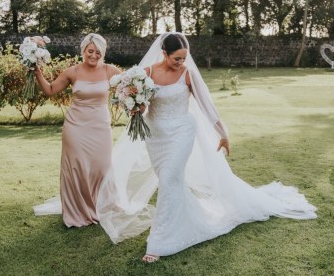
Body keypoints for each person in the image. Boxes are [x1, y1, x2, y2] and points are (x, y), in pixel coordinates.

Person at [96, 32, 317, 262]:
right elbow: (142, 109)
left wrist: (223, 133)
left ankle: (159, 241)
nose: (181, 63)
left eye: (184, 58)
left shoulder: (187, 74)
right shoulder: (147, 74)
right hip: (156, 136)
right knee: (170, 182)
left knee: (170, 178)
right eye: (177, 59)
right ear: (164, 54)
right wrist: (134, 106)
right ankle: (189, 218)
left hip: (182, 132)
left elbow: (205, 105)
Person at [33, 33, 120, 227]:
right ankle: (77, 210)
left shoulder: (110, 70)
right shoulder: (72, 72)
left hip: (100, 126)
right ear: (83, 51)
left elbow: (129, 88)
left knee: (101, 166)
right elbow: (49, 90)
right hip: (76, 127)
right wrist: (37, 71)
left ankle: (99, 205)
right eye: (90, 51)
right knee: (77, 167)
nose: (94, 55)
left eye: (98, 52)